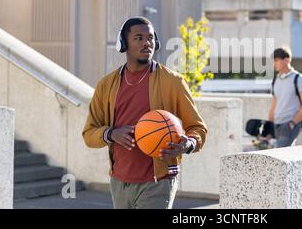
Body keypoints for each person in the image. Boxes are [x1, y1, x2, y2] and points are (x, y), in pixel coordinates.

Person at [82, 16, 208, 209]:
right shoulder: (106, 85)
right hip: (119, 182)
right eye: (138, 38)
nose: (146, 43)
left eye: (150, 38)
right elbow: (89, 134)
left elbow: (198, 128)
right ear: (124, 44)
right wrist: (111, 134)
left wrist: (188, 144)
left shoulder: (173, 82)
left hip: (158, 182)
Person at [268, 47, 302, 148]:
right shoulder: (276, 80)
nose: (274, 64)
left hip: (289, 124)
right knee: (281, 155)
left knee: (279, 154)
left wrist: (292, 123)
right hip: (276, 125)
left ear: (287, 60)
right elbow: (274, 103)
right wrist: (268, 125)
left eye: (276, 61)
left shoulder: (300, 79)